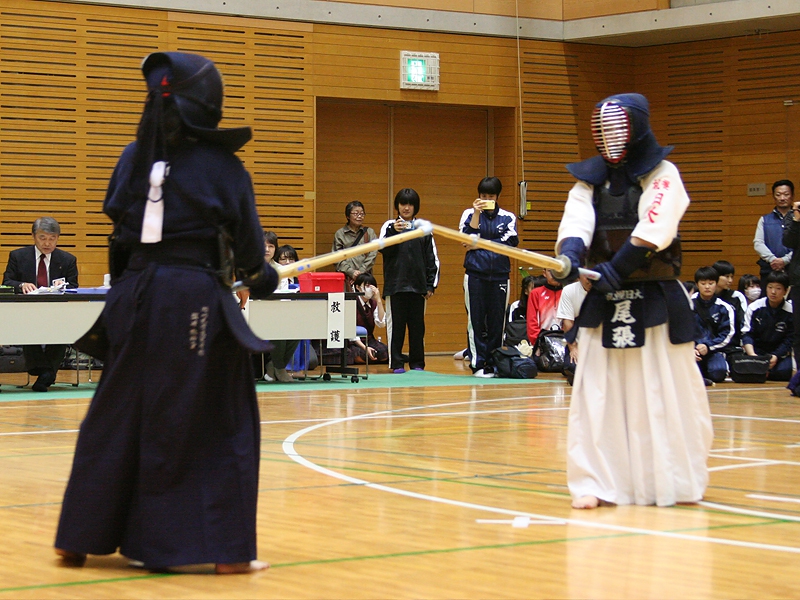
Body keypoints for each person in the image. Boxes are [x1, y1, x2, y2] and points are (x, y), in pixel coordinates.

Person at [54, 52, 278, 573]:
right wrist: (261, 276)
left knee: (116, 413)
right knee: (225, 417)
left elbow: (118, 226)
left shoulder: (133, 156)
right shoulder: (224, 168)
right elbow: (249, 252)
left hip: (131, 294)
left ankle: (78, 536)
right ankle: (225, 552)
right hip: (192, 300)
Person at [555, 93, 713, 509]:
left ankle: (672, 479)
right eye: (603, 130)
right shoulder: (589, 182)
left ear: (636, 128)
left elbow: (655, 225)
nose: (609, 138)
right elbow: (576, 222)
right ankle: (595, 481)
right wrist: (571, 257)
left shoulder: (663, 173)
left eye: (617, 129)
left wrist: (620, 266)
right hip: (604, 299)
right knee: (596, 392)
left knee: (664, 390)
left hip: (655, 297)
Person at [3, 216, 79, 392]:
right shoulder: (18, 256)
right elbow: (7, 282)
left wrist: (64, 286)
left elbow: (74, 286)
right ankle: (46, 372)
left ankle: (44, 373)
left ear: (57, 238)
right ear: (34, 236)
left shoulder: (67, 259)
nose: (47, 243)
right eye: (42, 238)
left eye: (52, 238)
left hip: (56, 311)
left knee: (63, 329)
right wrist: (21, 285)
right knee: (28, 327)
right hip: (26, 310)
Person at [459, 177, 519, 378]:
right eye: (483, 196)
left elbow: (510, 242)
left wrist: (479, 243)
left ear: (497, 196)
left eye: (490, 196)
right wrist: (476, 214)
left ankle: (494, 363)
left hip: (500, 275)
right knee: (475, 320)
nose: (486, 199)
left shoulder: (508, 217)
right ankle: (477, 363)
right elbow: (466, 240)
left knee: (497, 322)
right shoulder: (469, 214)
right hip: (475, 275)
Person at [379, 188, 439, 373]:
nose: (406, 208)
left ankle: (417, 363)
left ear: (415, 207)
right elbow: (383, 249)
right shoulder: (389, 226)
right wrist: (393, 233)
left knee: (417, 329)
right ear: (397, 206)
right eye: (403, 204)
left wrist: (430, 285)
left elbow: (432, 259)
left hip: (418, 288)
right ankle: (396, 363)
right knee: (396, 328)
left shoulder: (424, 229)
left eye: (410, 204)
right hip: (395, 287)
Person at [256, 232, 299, 383]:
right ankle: (280, 369)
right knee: (278, 325)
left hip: (277, 311)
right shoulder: (249, 267)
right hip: (254, 312)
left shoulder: (281, 269)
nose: (267, 249)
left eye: (271, 246)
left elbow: (284, 294)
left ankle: (273, 365)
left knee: (298, 328)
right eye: (263, 245)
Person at [741, 271, 793, 381]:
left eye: (778, 288)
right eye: (770, 287)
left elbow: (789, 339)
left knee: (784, 372)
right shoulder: (754, 307)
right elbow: (747, 334)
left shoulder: (791, 311)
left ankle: (764, 372)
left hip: (779, 354)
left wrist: (776, 355)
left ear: (786, 290)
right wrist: (753, 356)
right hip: (757, 352)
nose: (773, 292)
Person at [692, 266, 735, 384]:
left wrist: (708, 346)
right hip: (692, 350)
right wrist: (691, 348)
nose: (707, 287)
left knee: (718, 373)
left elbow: (727, 334)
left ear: (716, 284)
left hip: (714, 350)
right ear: (697, 284)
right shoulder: (687, 304)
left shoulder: (724, 307)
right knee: (688, 372)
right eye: (703, 283)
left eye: (711, 283)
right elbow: (681, 330)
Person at [332, 201, 377, 290]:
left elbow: (373, 254)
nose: (359, 216)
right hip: (345, 278)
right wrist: (351, 272)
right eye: (356, 213)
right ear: (348, 216)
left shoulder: (369, 232)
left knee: (365, 298)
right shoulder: (340, 234)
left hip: (365, 278)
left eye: (362, 214)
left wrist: (361, 272)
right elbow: (336, 258)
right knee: (346, 298)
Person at [754, 179, 793, 282]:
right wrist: (773, 260)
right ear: (773, 197)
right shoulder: (764, 219)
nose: (782, 198)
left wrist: (785, 260)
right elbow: (758, 243)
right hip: (769, 269)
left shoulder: (798, 219)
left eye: (786, 194)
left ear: (792, 196)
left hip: (794, 269)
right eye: (778, 195)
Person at [557, 271, 592, 383]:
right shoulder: (569, 291)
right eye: (586, 276)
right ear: (579, 275)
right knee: (573, 367)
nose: (589, 280)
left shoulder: (606, 289)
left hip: (600, 346)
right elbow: (567, 322)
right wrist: (573, 348)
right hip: (578, 344)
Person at [347, 272, 389, 364]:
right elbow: (350, 331)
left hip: (368, 340)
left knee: (385, 352)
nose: (370, 289)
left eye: (372, 286)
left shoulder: (373, 303)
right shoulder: (352, 302)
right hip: (354, 341)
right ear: (358, 287)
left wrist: (378, 300)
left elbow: (381, 323)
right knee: (358, 355)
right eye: (367, 286)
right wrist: (365, 347)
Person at [526, 268, 562, 348]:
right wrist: (538, 343)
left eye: (557, 270)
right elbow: (532, 323)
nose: (554, 274)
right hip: (542, 344)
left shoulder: (567, 292)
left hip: (565, 343)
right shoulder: (535, 293)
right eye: (550, 271)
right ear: (544, 273)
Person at [504, 275, 536, 347]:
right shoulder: (515, 306)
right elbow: (511, 328)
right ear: (526, 291)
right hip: (518, 343)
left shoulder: (543, 306)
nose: (536, 292)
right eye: (533, 289)